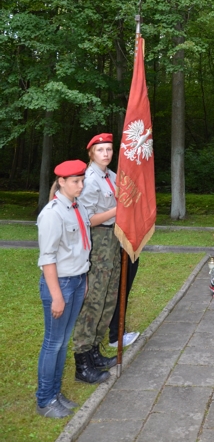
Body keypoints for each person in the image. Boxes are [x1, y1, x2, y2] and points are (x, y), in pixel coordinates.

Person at [36, 160, 91, 418]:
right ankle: (45, 399)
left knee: (62, 342)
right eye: (75, 181)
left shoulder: (75, 207)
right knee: (53, 343)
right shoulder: (53, 213)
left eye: (82, 180)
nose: (80, 185)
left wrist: (85, 279)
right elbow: (47, 258)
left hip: (77, 281)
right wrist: (57, 296)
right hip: (61, 285)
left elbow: (79, 248)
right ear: (61, 182)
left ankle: (56, 394)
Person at [72, 133, 120, 383]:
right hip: (97, 239)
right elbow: (87, 219)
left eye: (109, 149)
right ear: (91, 153)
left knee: (109, 297)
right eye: (100, 150)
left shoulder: (111, 177)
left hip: (113, 238)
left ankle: (94, 350)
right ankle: (82, 361)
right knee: (93, 300)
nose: (106, 154)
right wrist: (116, 210)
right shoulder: (89, 180)